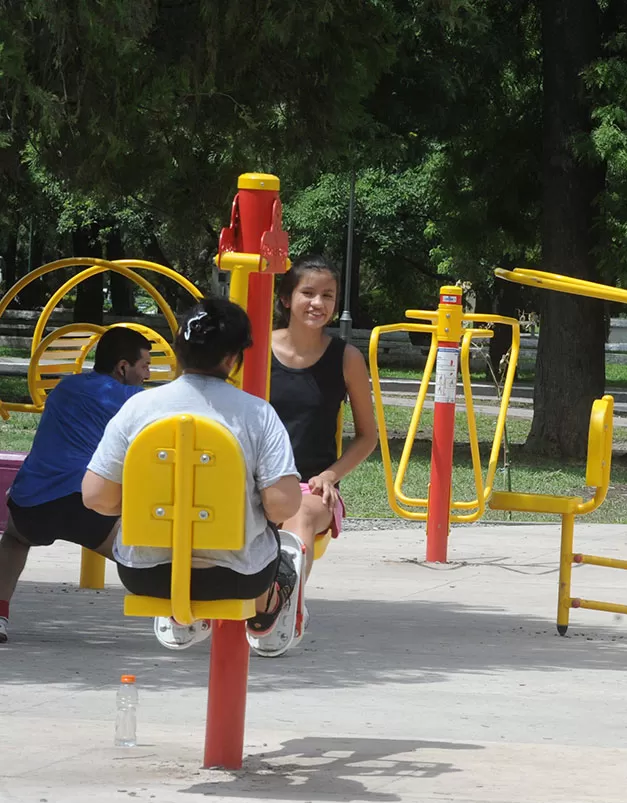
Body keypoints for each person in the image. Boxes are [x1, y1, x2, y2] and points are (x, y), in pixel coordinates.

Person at [82, 298, 304, 652]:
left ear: (178, 349)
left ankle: (178, 612)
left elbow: (96, 497)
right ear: (232, 358)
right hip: (235, 578)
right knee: (276, 545)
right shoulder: (257, 415)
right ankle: (269, 606)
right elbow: (282, 506)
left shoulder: (137, 409)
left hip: (146, 574)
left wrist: (146, 509)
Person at [0, 327, 154, 643]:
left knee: (14, 540)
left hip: (31, 501)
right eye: (145, 366)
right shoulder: (132, 400)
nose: (148, 375)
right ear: (122, 367)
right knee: (148, 560)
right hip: (83, 503)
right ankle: (188, 615)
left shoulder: (66, 387)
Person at [267, 257, 376, 604]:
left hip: (311, 485)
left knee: (298, 512)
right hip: (257, 480)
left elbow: (368, 435)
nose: (318, 303)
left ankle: (282, 605)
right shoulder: (256, 351)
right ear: (286, 298)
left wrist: (330, 475)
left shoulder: (347, 358)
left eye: (328, 295)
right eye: (308, 293)